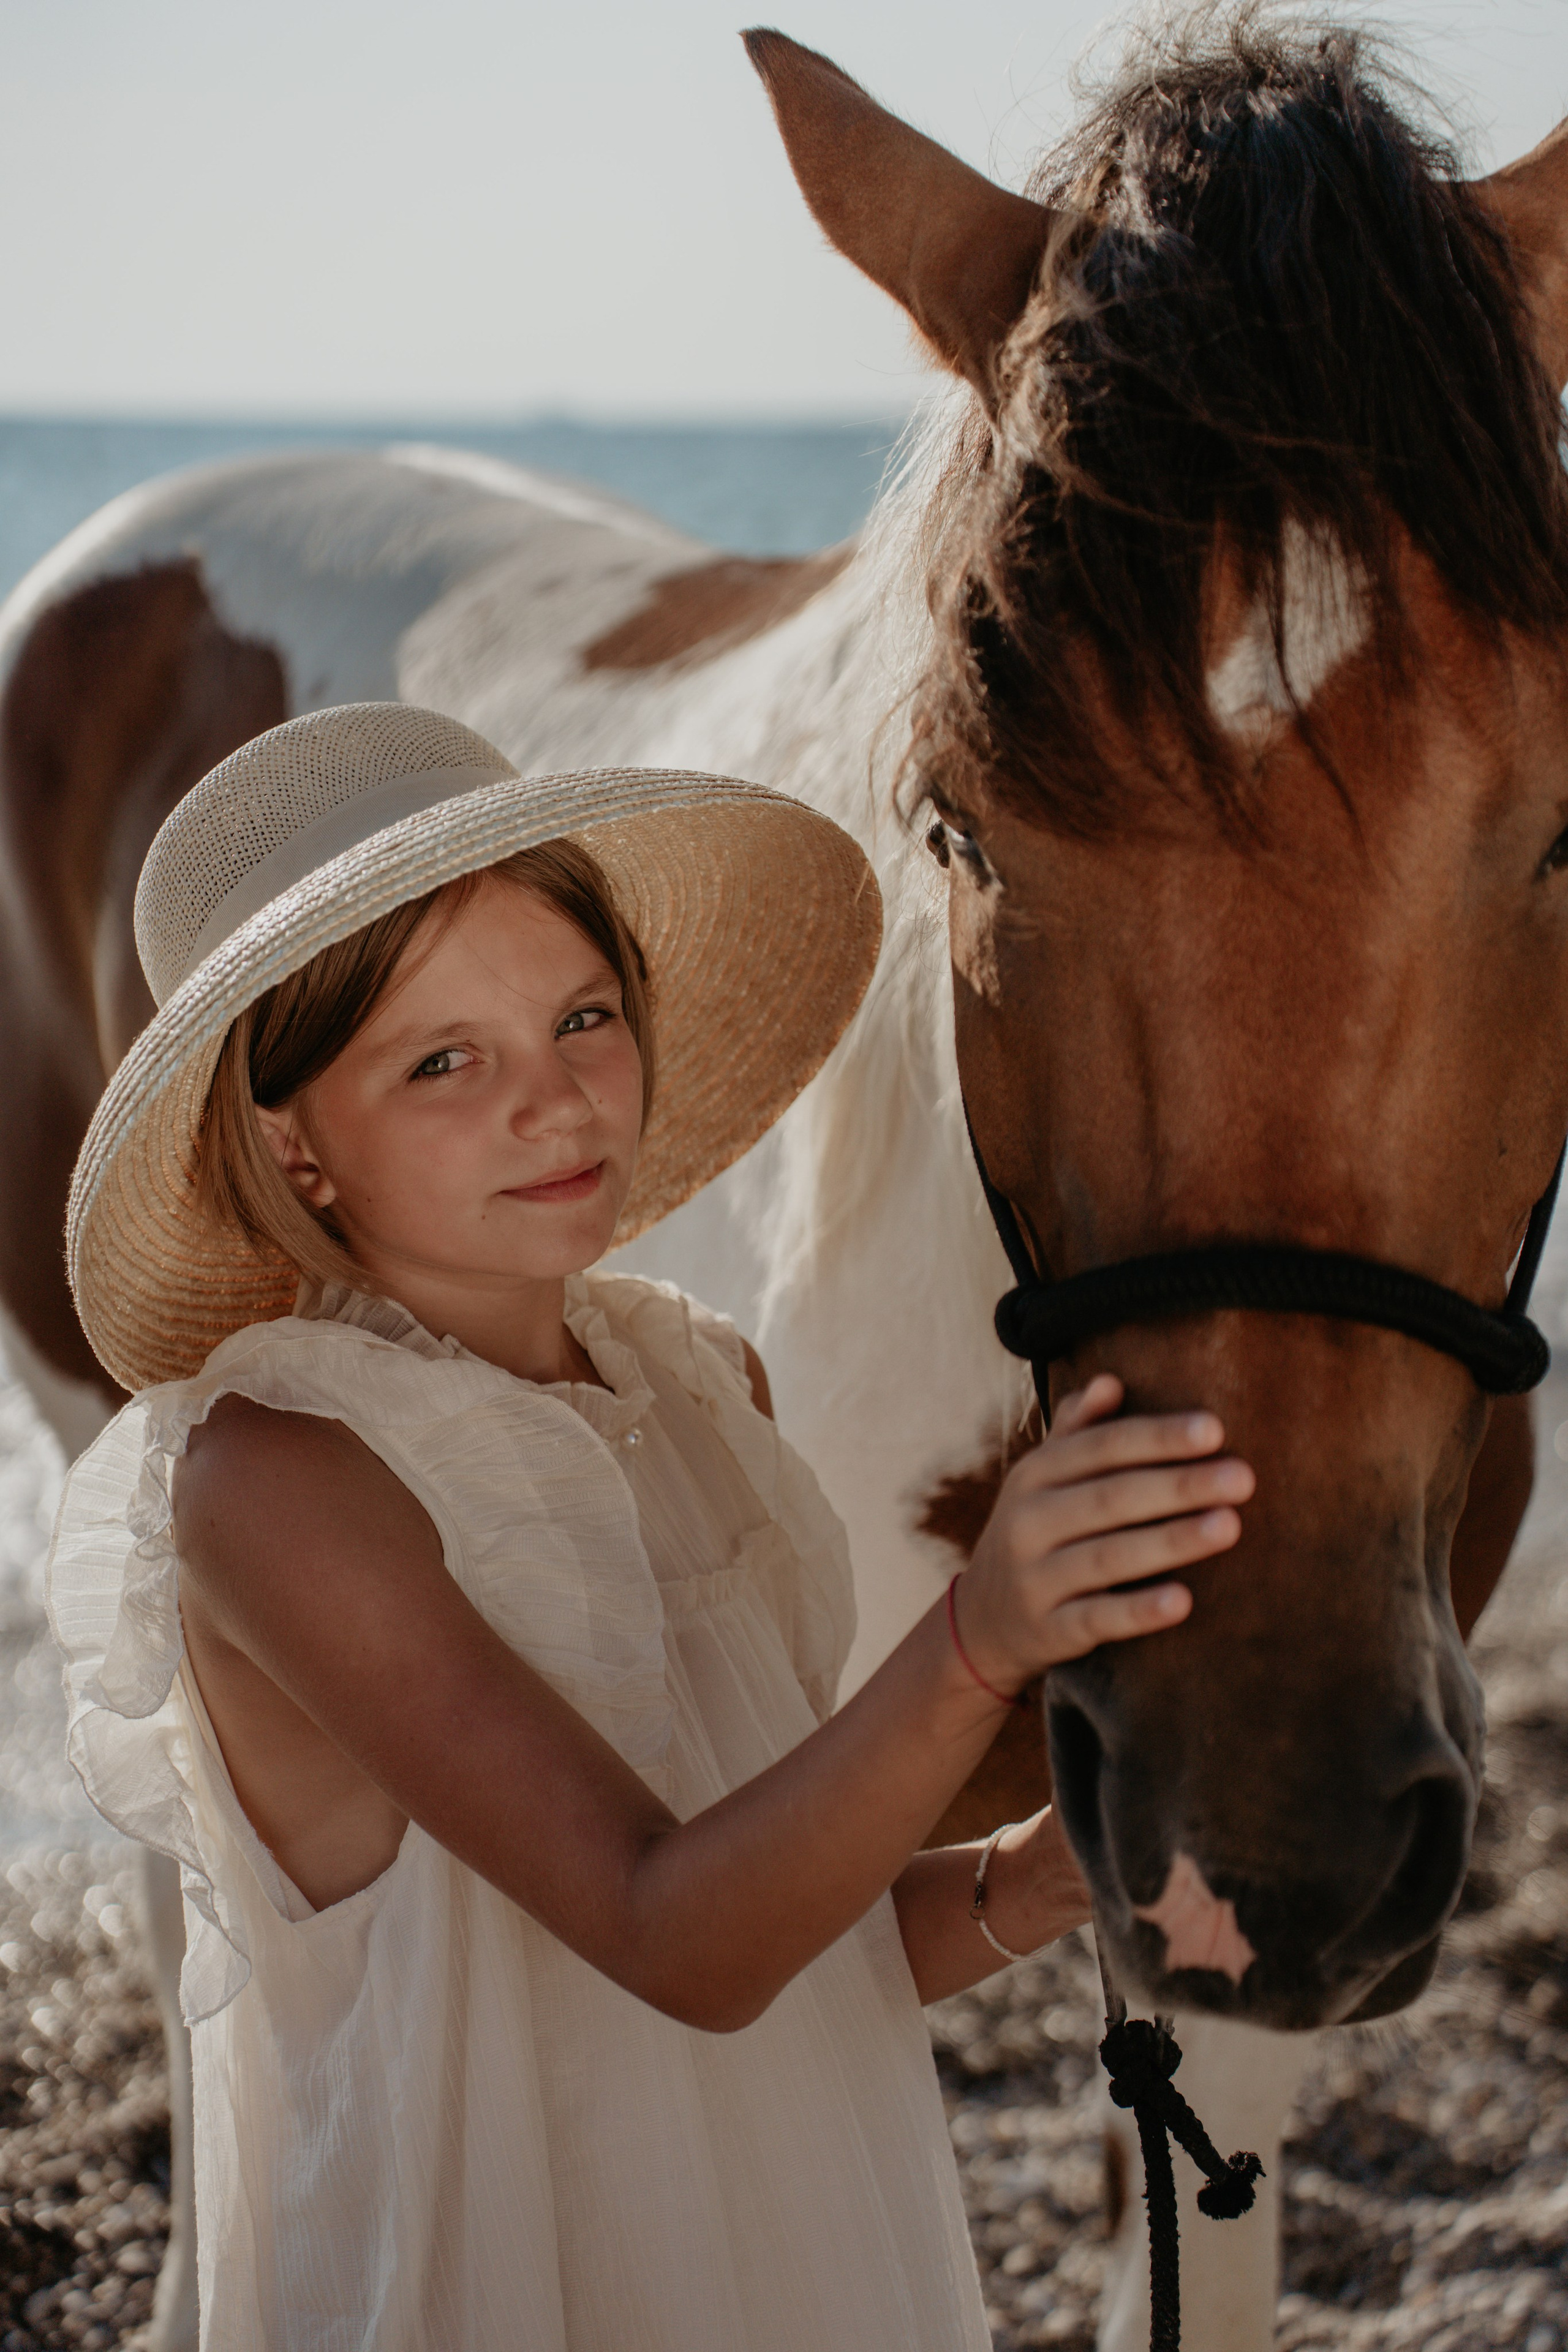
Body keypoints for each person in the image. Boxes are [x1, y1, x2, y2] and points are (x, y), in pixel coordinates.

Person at [47, 703, 1254, 2350]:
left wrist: (1041, 1879)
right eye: (442, 1061)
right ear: (292, 1141)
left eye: (583, 1016)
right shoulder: (278, 1480)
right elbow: (668, 1936)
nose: (554, 1102)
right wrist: (976, 1642)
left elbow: (792, 1936)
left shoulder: (703, 1394)